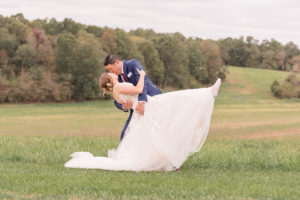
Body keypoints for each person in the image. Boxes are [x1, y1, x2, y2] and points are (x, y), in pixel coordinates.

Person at [65, 68, 221, 172]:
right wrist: (142, 76)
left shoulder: (115, 92)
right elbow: (139, 90)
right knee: (176, 100)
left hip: (143, 110)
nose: (113, 73)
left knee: (164, 124)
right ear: (110, 78)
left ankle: (171, 161)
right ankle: (207, 93)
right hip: (146, 108)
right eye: (111, 74)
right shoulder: (118, 87)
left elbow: (128, 103)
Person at [103, 55, 161, 141]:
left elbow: (142, 82)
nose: (111, 72)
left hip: (153, 99)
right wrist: (123, 107)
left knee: (158, 130)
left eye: (111, 69)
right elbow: (116, 100)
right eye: (109, 70)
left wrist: (141, 102)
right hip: (135, 109)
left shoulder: (133, 64)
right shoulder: (114, 79)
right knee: (125, 135)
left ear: (117, 63)